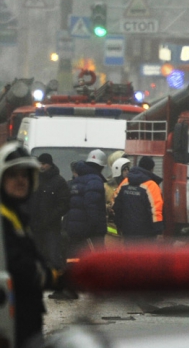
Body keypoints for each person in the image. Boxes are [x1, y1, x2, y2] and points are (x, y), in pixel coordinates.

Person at [0, 142, 62, 347]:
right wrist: (54, 277)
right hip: (13, 321)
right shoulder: (4, 218)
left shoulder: (16, 215)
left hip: (24, 318)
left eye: (25, 176)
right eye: (13, 175)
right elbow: (18, 266)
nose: (20, 181)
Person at [27, 153, 70, 300]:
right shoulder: (33, 180)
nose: (41, 166)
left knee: (54, 257)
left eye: (44, 163)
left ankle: (62, 288)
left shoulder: (58, 182)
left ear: (50, 164)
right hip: (35, 227)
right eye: (40, 163)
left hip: (51, 228)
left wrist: (50, 218)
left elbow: (64, 204)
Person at [62, 150, 108, 254]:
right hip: (90, 232)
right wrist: (93, 227)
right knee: (99, 259)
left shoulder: (77, 180)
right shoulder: (95, 180)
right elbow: (92, 205)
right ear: (101, 166)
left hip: (74, 228)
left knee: (76, 258)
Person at [113, 156, 164, 240]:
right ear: (151, 169)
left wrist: (119, 224)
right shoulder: (152, 186)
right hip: (146, 235)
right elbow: (156, 211)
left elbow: (116, 204)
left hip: (127, 232)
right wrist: (158, 231)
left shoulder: (125, 182)